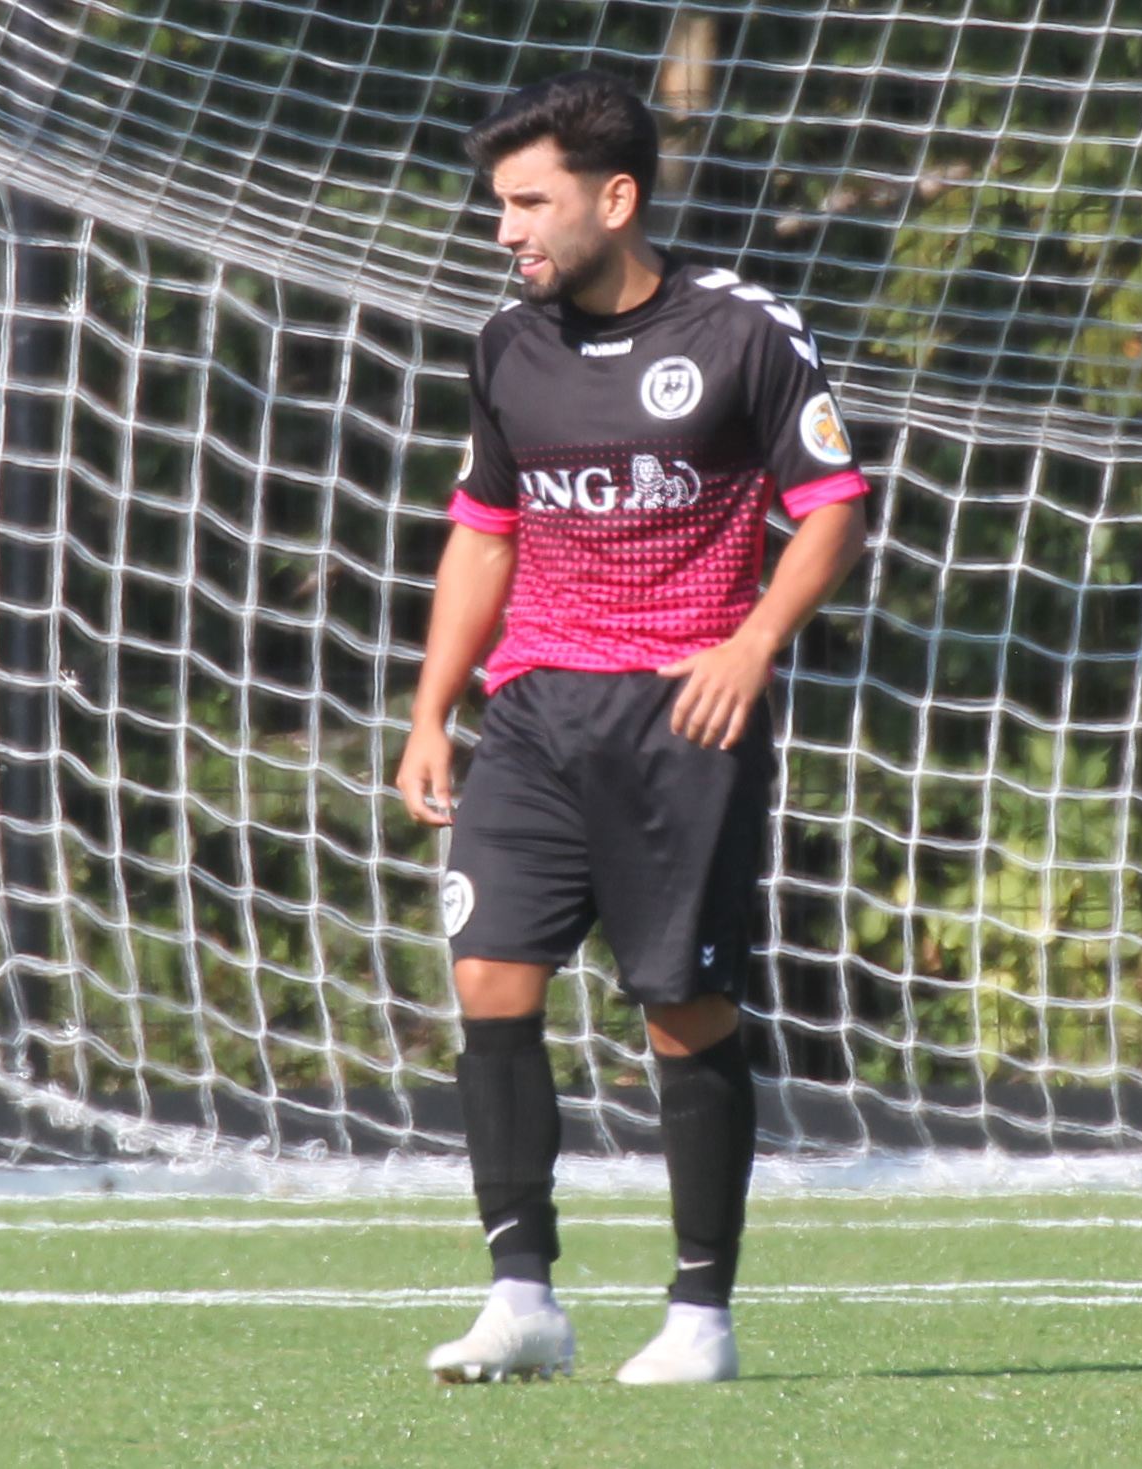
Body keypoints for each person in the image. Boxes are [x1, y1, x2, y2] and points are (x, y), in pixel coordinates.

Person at [396, 70, 871, 1386]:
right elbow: (485, 533)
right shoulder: (508, 347)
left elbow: (831, 503)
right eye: (500, 207)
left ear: (617, 197)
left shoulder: (741, 333)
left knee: (682, 1007)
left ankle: (701, 1315)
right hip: (537, 712)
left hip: (685, 716)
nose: (507, 232)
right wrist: (436, 708)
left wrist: (753, 641)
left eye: (528, 203)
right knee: (490, 972)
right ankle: (522, 1297)